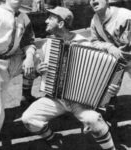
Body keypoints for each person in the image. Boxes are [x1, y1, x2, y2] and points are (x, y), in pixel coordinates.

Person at [21, 6, 120, 150]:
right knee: (28, 119)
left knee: (94, 120)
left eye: (51, 18)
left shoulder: (84, 43)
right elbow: (32, 74)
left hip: (80, 101)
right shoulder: (47, 46)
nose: (46, 21)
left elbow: (108, 68)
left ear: (60, 24)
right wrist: (38, 70)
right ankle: (53, 138)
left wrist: (112, 87)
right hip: (55, 98)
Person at [0, 0, 36, 149]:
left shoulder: (24, 17)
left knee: (39, 57)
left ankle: (27, 95)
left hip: (12, 62)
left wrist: (30, 57)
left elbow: (29, 42)